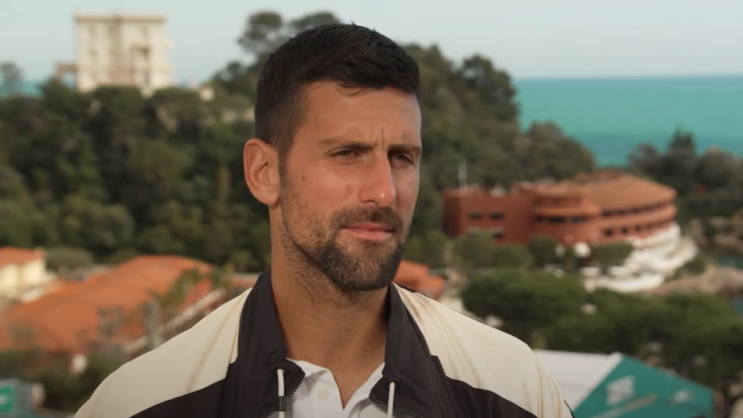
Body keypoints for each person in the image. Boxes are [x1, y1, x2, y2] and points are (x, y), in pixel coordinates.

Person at [74, 23, 574, 418]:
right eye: (347, 153)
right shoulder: (141, 403)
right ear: (264, 173)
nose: (384, 191)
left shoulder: (513, 389)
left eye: (402, 157)